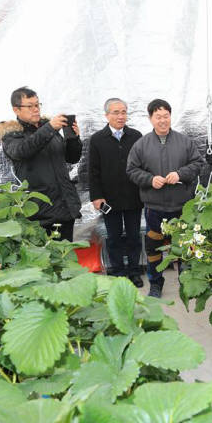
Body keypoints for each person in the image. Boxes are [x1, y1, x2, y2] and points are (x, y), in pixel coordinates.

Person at [126, 99, 202, 298]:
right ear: (150, 118)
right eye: (158, 117)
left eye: (166, 116)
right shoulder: (141, 145)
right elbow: (131, 170)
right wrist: (150, 179)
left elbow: (197, 163)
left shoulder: (184, 142)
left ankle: (186, 282)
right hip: (154, 207)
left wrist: (181, 174)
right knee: (154, 249)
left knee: (185, 245)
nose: (162, 120)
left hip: (182, 206)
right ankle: (156, 283)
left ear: (170, 116)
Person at [0, 86, 82, 241]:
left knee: (66, 257)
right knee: (45, 260)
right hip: (39, 212)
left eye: (37, 105)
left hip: (64, 208)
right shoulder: (12, 135)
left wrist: (74, 138)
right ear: (16, 110)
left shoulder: (49, 129)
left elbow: (71, 158)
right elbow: (23, 150)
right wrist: (50, 128)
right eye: (30, 106)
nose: (36, 109)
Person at [89, 98, 144, 287]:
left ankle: (134, 271)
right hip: (109, 199)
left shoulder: (136, 136)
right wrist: (96, 196)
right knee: (113, 238)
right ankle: (119, 272)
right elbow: (93, 171)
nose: (121, 116)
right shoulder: (97, 139)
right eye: (116, 112)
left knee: (134, 236)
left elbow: (143, 165)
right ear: (107, 115)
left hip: (133, 196)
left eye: (123, 112)